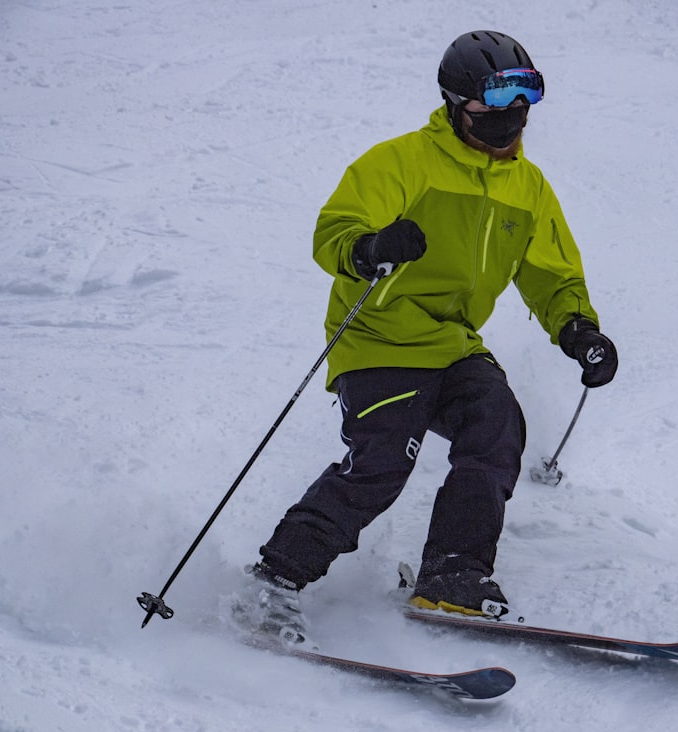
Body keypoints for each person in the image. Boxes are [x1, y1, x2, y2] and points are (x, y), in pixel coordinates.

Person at [241, 30, 618, 641]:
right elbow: (334, 230)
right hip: (381, 337)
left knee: (496, 428)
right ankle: (273, 580)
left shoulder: (529, 186)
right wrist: (370, 249)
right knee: (384, 463)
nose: (509, 119)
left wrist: (578, 329)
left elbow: (551, 272)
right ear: (454, 101)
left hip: (453, 342)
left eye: (522, 105)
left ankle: (453, 575)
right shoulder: (401, 162)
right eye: (492, 106)